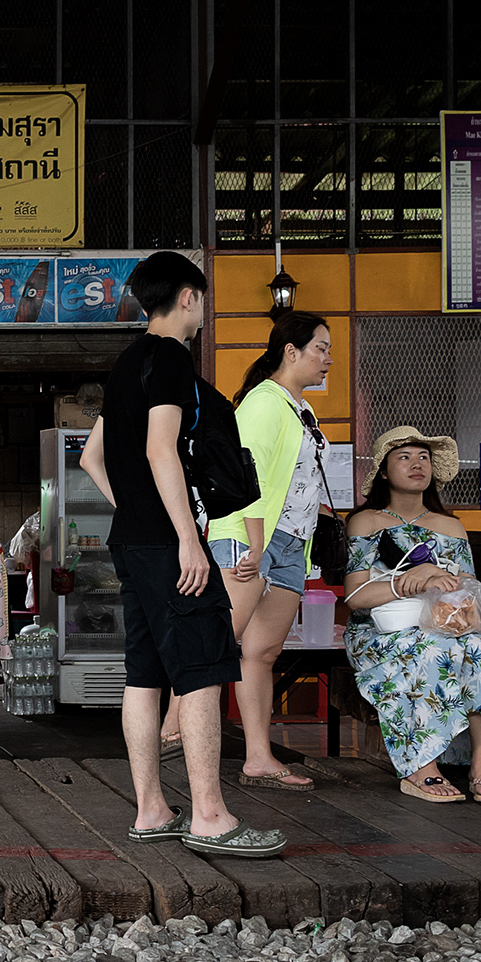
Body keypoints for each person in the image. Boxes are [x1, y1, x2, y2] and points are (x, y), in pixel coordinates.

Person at [80, 251, 285, 859]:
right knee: (201, 669)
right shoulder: (171, 358)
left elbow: (91, 458)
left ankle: (151, 811)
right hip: (168, 543)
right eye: (203, 298)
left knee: (144, 674)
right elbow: (161, 449)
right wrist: (187, 538)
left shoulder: (124, 364)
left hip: (133, 540)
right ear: (189, 297)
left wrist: (138, 514)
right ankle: (211, 817)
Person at [199, 311, 335, 792]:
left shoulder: (302, 408)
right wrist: (256, 543)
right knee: (217, 642)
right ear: (291, 352)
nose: (328, 359)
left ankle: (258, 756)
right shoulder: (262, 402)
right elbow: (242, 474)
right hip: (250, 535)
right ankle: (174, 725)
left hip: (293, 540)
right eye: (321, 348)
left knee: (262, 652)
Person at [342, 427, 481, 803]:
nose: (417, 464)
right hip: (379, 630)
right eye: (404, 457)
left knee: (479, 650)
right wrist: (406, 582)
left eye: (424, 458)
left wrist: (441, 578)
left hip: (445, 625)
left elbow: (466, 590)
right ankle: (421, 765)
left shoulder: (450, 526)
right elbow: (356, 597)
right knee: (427, 647)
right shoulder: (366, 522)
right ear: (383, 471)